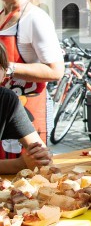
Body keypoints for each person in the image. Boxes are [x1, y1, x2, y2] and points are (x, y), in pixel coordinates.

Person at [0, 0, 62, 158]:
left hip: (27, 110)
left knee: (28, 170)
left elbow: (55, 71)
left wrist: (8, 67)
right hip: (3, 108)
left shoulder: (35, 18)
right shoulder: (2, 15)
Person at [0, 42, 52, 174]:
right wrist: (20, 164)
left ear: (4, 73)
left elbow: (40, 152)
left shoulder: (6, 100)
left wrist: (40, 156)